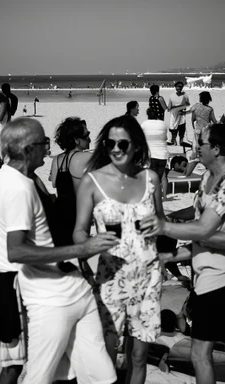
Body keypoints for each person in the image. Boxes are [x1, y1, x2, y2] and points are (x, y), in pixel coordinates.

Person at [0, 116, 118, 384]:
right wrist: (82, 248)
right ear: (27, 149)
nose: (48, 149)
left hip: (48, 286)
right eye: (43, 143)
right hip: (22, 286)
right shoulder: (18, 188)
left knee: (64, 370)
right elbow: (17, 251)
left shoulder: (11, 178)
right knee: (20, 368)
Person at [73, 115, 165, 384]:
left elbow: (162, 221)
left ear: (136, 145)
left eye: (122, 144)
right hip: (111, 279)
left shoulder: (150, 178)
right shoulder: (92, 181)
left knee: (138, 357)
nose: (115, 149)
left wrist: (158, 226)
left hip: (148, 279)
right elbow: (79, 230)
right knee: (106, 355)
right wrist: (89, 245)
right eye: (110, 143)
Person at [141, 123, 225, 384]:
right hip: (204, 278)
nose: (197, 146)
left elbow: (204, 229)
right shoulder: (206, 177)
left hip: (219, 279)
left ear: (217, 148)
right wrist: (168, 256)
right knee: (202, 353)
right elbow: (199, 222)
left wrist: (164, 225)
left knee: (201, 354)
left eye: (202, 142)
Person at [49, 117, 92, 246]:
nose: (89, 139)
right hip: (78, 215)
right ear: (76, 140)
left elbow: (54, 183)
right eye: (86, 135)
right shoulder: (86, 157)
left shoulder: (57, 160)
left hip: (59, 213)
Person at [141, 108, 169, 183]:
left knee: (151, 180)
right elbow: (165, 138)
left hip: (151, 155)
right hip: (163, 155)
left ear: (148, 115)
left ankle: (153, 194)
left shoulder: (144, 124)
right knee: (158, 180)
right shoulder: (163, 124)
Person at [190, 91, 217, 158]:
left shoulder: (196, 106)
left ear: (200, 99)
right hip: (206, 130)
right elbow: (214, 121)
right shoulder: (210, 109)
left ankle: (197, 157)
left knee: (197, 145)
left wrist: (194, 127)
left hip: (198, 130)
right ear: (209, 99)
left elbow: (193, 119)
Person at [167, 81, 190, 146]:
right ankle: (174, 141)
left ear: (182, 87)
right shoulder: (172, 95)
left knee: (182, 128)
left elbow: (188, 104)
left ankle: (181, 141)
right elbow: (169, 106)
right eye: (177, 86)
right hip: (174, 114)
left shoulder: (185, 95)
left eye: (180, 87)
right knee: (173, 129)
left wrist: (184, 109)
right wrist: (169, 109)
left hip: (181, 114)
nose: (178, 88)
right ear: (175, 87)